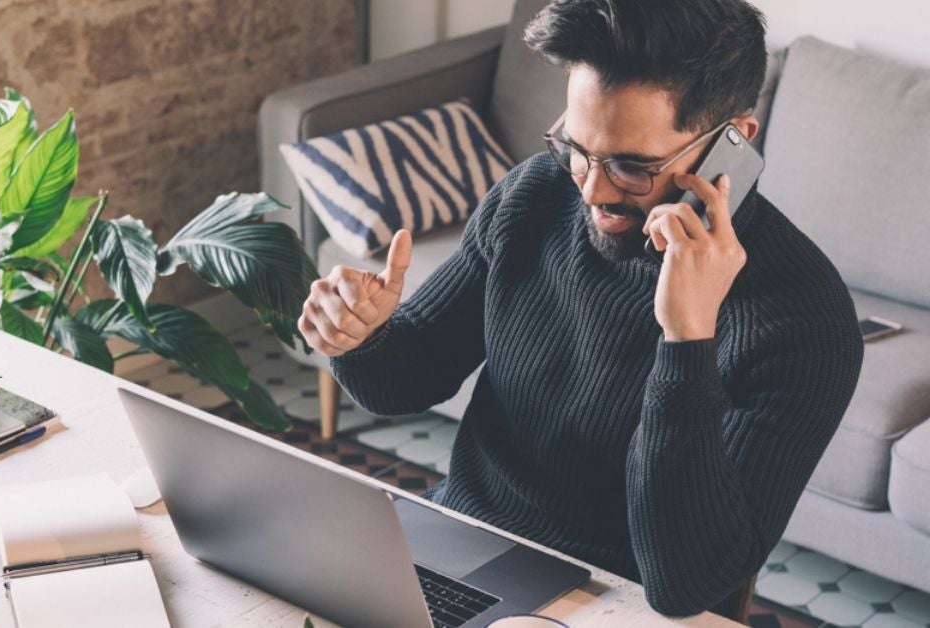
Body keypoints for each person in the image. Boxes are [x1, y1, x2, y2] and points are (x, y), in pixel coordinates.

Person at [297, 0, 864, 619]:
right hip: (461, 540)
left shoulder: (805, 322)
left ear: (732, 141)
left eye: (631, 166)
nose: (590, 190)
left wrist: (686, 339)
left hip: (619, 601)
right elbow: (410, 379)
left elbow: (686, 584)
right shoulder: (535, 196)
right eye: (575, 146)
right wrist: (362, 335)